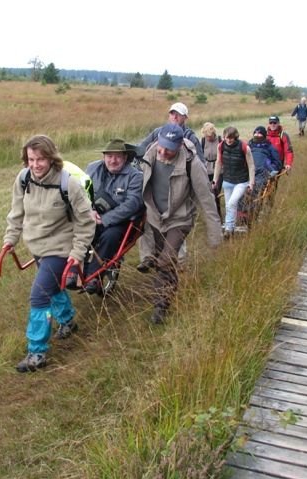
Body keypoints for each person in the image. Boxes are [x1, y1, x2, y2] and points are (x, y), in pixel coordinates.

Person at [2, 135, 96, 373]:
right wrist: (10, 240)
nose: (35, 165)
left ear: (51, 158)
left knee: (39, 295)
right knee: (54, 288)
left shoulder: (69, 184)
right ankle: (68, 322)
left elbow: (86, 223)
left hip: (61, 249)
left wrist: (77, 254)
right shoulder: (23, 179)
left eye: (41, 159)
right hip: (38, 247)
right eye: (31, 159)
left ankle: (37, 352)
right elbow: (16, 213)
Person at [139, 124, 222, 323]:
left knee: (166, 259)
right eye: (161, 146)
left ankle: (160, 306)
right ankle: (167, 293)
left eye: (169, 148)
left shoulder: (191, 163)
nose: (163, 152)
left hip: (180, 218)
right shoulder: (150, 154)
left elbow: (206, 199)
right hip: (155, 218)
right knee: (165, 260)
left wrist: (215, 235)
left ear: (178, 146)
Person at [137, 102, 203, 271]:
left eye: (178, 114)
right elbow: (142, 149)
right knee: (146, 221)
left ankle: (177, 264)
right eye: (172, 113)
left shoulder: (191, 138)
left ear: (185, 118)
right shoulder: (158, 133)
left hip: (180, 192)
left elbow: (199, 165)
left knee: (177, 230)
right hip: (157, 189)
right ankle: (148, 258)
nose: (174, 116)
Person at [83, 139, 144, 294]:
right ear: (104, 157)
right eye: (109, 156)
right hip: (93, 215)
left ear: (125, 158)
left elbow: (132, 205)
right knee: (81, 233)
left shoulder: (135, 176)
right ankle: (75, 272)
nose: (113, 160)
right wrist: (89, 211)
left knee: (109, 237)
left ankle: (93, 277)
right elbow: (82, 192)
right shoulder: (92, 168)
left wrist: (104, 220)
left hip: (122, 222)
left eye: (117, 156)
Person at [212, 126, 255, 239]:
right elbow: (218, 163)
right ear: (224, 137)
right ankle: (229, 230)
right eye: (227, 138)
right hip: (228, 180)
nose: (229, 140)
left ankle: (228, 228)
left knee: (231, 203)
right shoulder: (220, 146)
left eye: (231, 138)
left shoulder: (244, 147)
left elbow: (251, 165)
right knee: (228, 205)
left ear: (235, 137)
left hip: (241, 181)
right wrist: (215, 180)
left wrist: (251, 183)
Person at [248, 126, 282, 194]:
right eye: (255, 133)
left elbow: (277, 163)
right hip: (248, 172)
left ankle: (254, 204)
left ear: (264, 135)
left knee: (255, 189)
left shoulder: (269, 147)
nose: (257, 135)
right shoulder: (249, 145)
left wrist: (271, 170)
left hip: (263, 173)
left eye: (259, 133)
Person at [200, 122, 223, 221]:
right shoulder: (203, 141)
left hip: (219, 170)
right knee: (209, 193)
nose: (208, 138)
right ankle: (211, 215)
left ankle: (218, 215)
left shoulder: (220, 140)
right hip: (207, 170)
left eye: (209, 136)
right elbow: (200, 155)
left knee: (215, 191)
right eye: (206, 136)